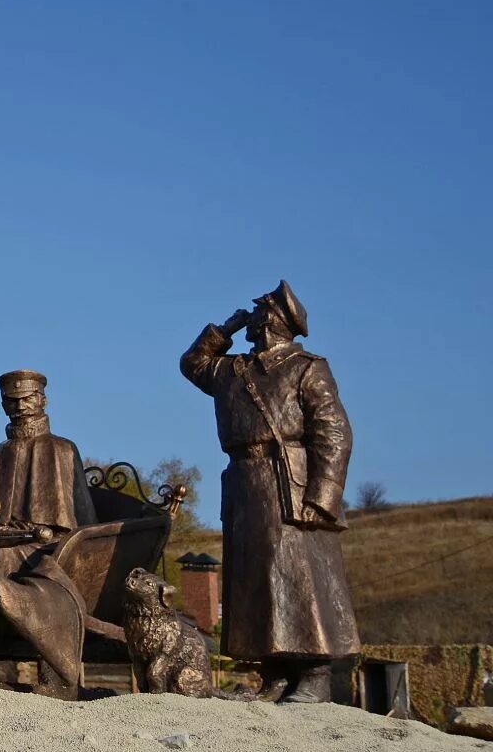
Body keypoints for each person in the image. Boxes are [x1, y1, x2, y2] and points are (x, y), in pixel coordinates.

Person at [179, 280, 360, 703]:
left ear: (276, 318)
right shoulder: (234, 370)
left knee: (302, 579)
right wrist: (224, 329)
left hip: (290, 483)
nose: (253, 316)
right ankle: (275, 675)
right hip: (244, 484)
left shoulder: (306, 367)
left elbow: (334, 433)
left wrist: (324, 496)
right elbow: (193, 364)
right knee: (258, 580)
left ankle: (314, 676)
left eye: (259, 310)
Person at [0, 370, 96, 532]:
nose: (20, 407)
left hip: (46, 544)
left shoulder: (62, 448)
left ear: (43, 401)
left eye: (27, 399)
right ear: (3, 406)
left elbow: (82, 521)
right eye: (13, 401)